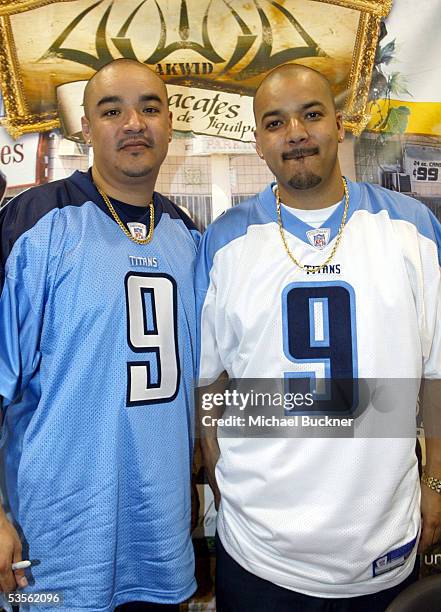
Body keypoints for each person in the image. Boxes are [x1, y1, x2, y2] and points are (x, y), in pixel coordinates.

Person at [196, 63, 441, 611]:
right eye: (276, 122)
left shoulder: (412, 229)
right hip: (259, 550)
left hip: (381, 546)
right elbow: (207, 382)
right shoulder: (224, 242)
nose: (297, 134)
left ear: (340, 124)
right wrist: (217, 468)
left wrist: (437, 484)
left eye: (312, 115)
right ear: (258, 141)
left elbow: (435, 374)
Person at [0, 59, 199, 611]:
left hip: (159, 538)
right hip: (53, 542)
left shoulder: (188, 234)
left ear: (169, 123)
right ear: (85, 127)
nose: (134, 122)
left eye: (150, 108)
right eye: (112, 110)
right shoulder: (33, 222)